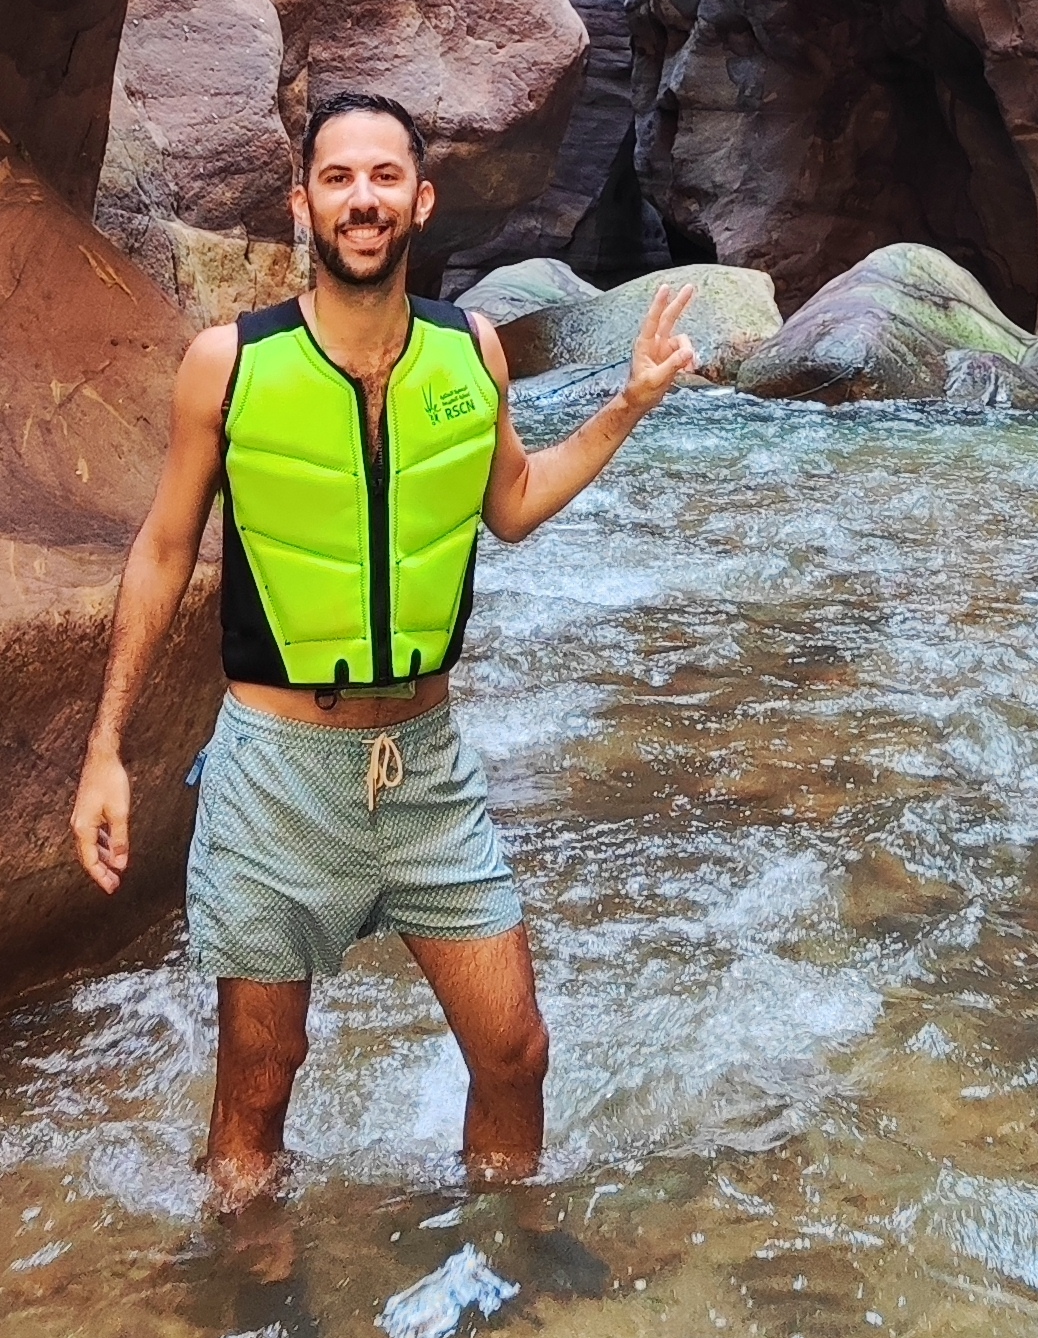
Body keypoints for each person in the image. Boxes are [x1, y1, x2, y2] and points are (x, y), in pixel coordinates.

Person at [70, 90, 697, 1202]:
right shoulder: (230, 362)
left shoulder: (475, 352)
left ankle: (500, 1276)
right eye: (341, 178)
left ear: (422, 198)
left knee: (516, 1053)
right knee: (260, 1085)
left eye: (385, 177)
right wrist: (106, 750)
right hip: (275, 771)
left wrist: (628, 405)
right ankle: (252, 1304)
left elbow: (508, 502)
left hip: (427, 765)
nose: (364, 199)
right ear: (304, 202)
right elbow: (163, 551)